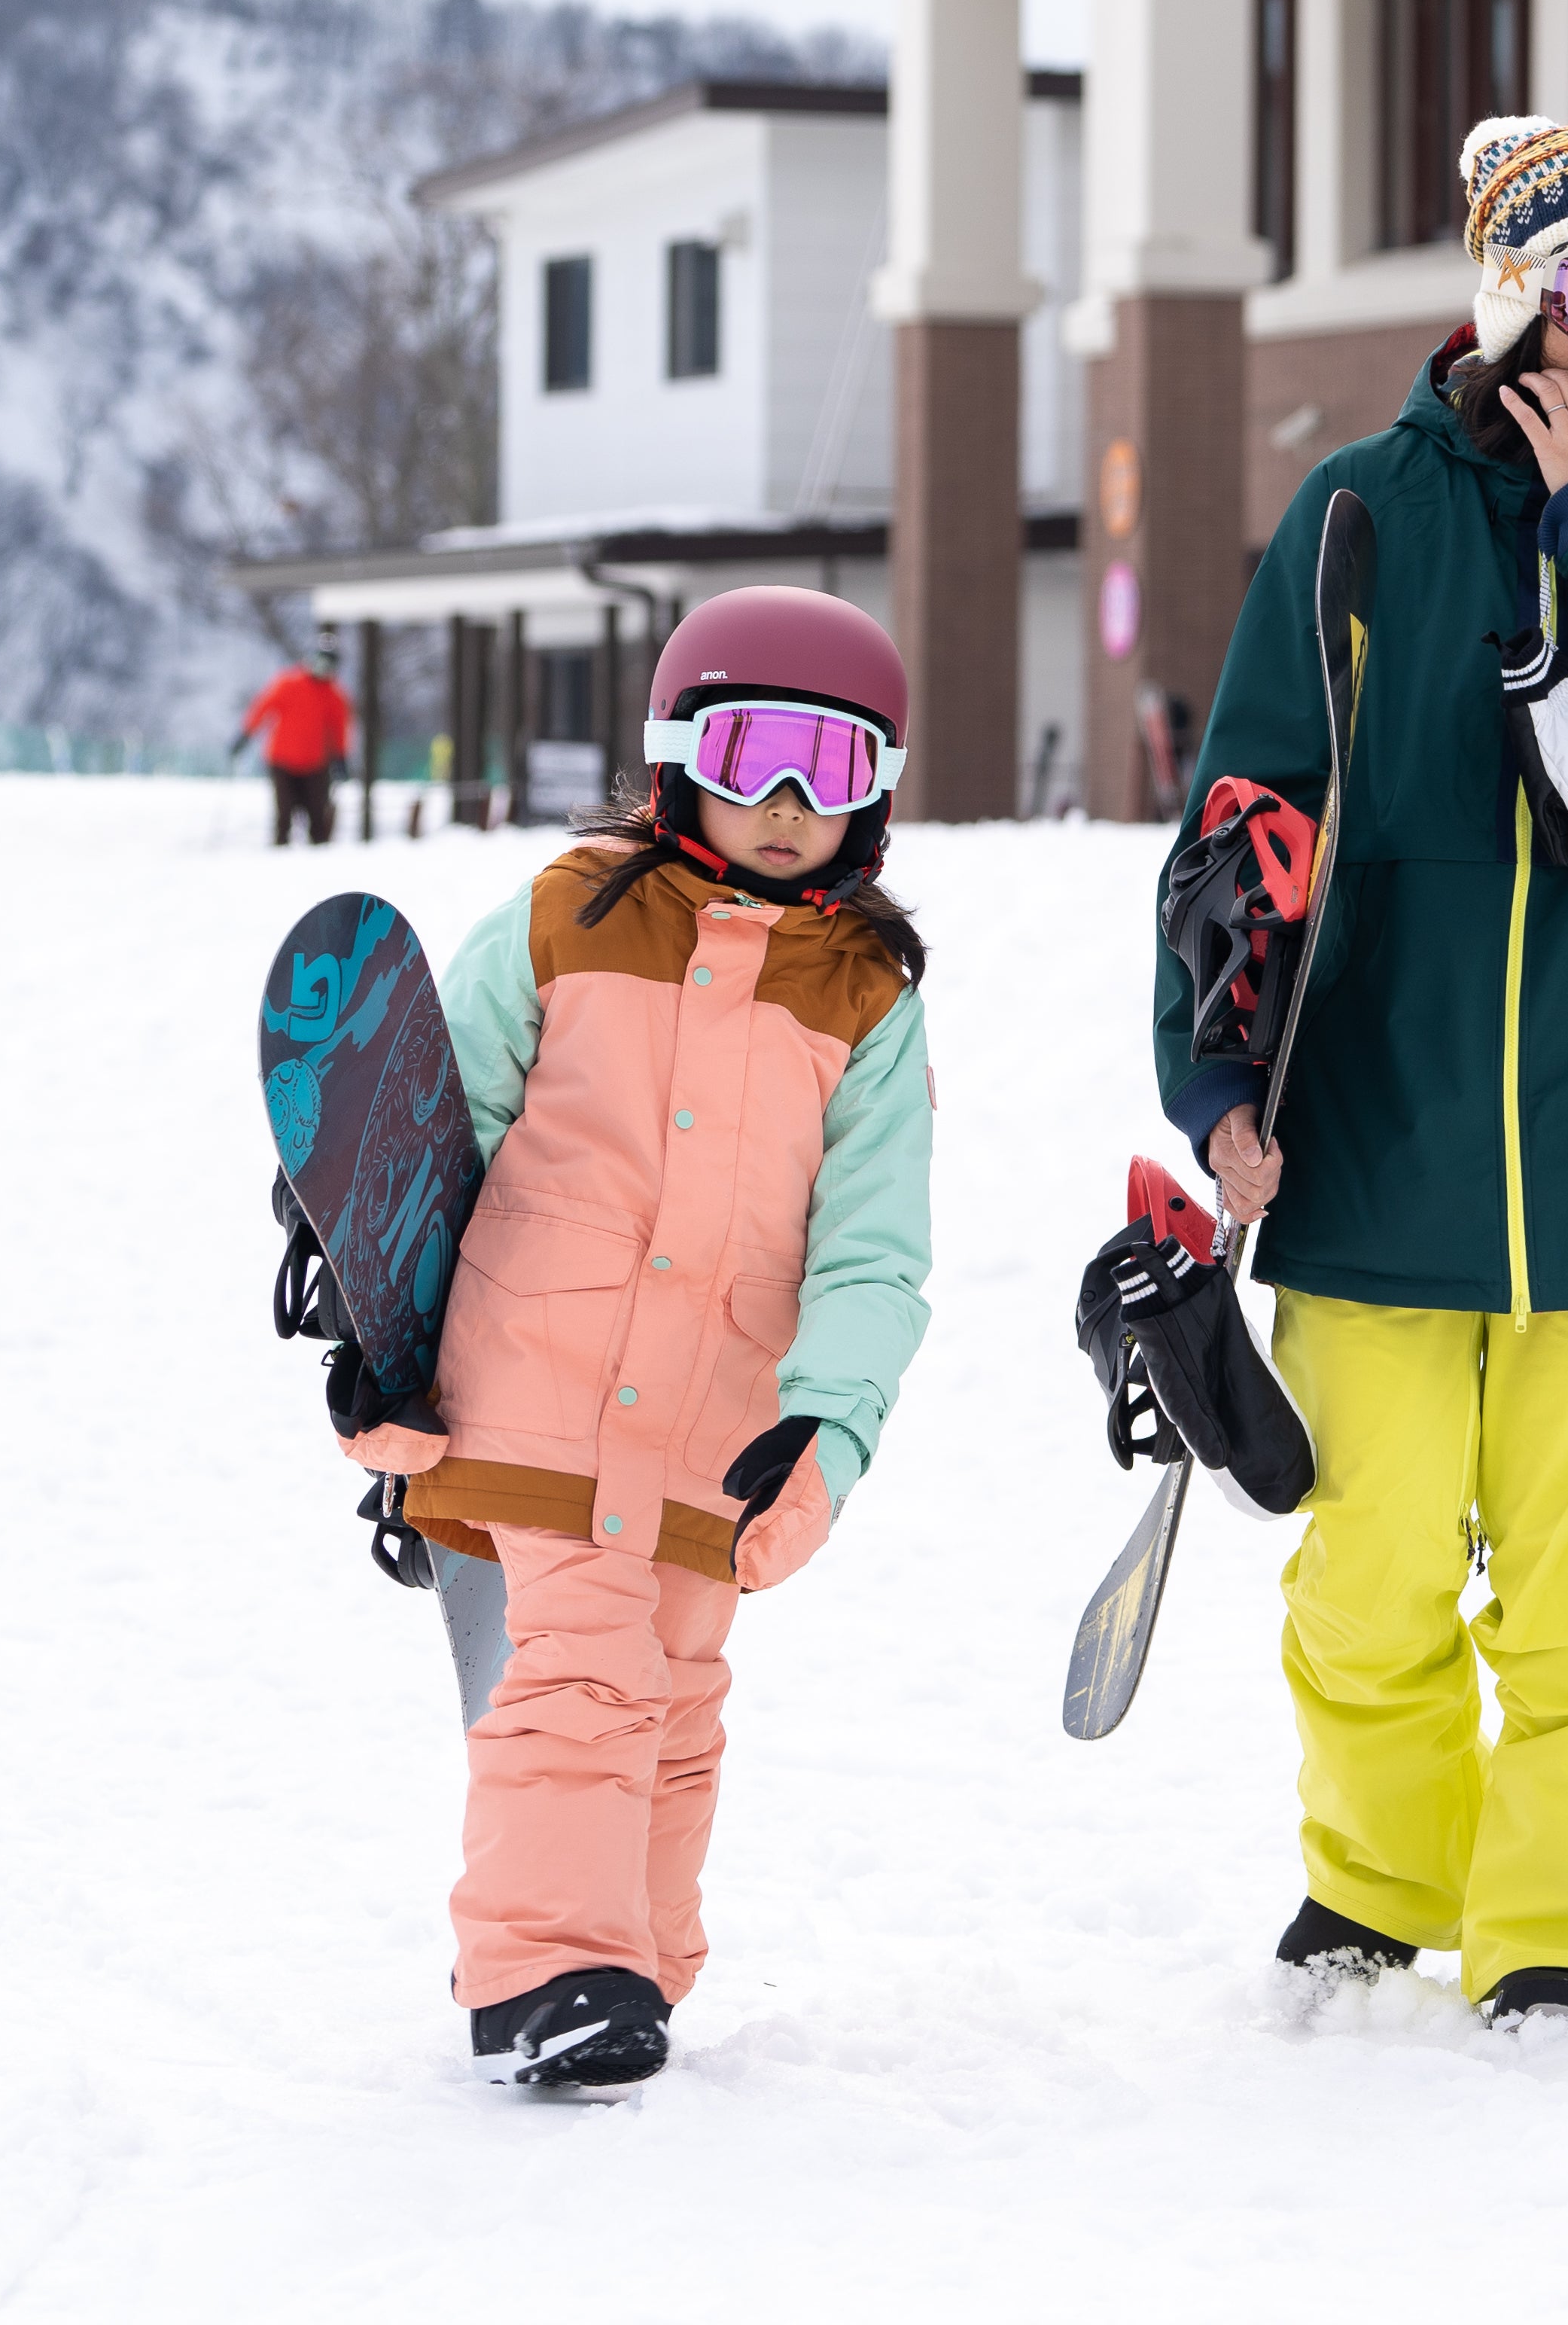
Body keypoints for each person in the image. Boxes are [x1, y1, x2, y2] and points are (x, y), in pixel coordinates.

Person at [1149, 114, 1568, 2025]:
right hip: (1377, 1150)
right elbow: (1247, 814)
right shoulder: (1364, 510)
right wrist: (1218, 1085)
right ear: (1513, 293)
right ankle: (1378, 1884)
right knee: (1366, 1572)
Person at [343, 586, 936, 2088]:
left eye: (835, 765)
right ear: (681, 755)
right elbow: (437, 1132)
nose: (792, 802)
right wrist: (379, 1336)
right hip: (528, 1384)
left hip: (713, 1421)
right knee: (583, 1669)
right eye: (756, 752)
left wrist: (831, 1421)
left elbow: (876, 1250)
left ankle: (635, 1961)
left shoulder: (866, 995)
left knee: (675, 1684)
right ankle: (547, 1965)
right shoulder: (565, 915)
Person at [237, 646, 354, 846]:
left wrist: (340, 758)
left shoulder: (335, 696)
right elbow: (263, 707)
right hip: (282, 759)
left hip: (315, 763)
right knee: (284, 815)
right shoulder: (288, 683)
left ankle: (319, 862)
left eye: (328, 665)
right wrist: (245, 735)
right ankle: (279, 856)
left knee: (317, 815)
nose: (323, 669)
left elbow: (339, 729)